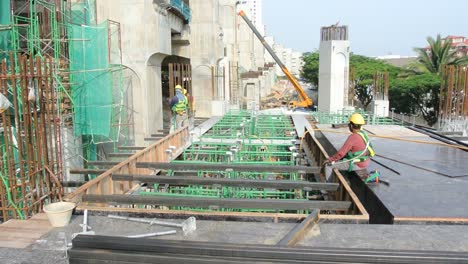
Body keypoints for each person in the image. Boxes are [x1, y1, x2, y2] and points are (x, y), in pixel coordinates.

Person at [322, 113, 375, 181]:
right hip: (365, 162)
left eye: (349, 124)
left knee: (328, 166)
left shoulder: (353, 137)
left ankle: (328, 188)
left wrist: (330, 160)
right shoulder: (363, 134)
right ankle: (344, 179)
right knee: (340, 161)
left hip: (357, 164)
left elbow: (341, 153)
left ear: (352, 125)